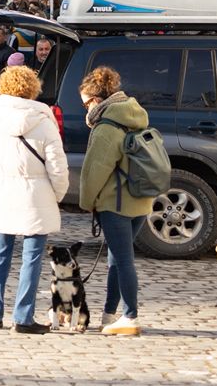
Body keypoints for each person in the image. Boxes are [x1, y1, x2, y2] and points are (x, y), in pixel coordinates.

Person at [0, 64, 68, 332]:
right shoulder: (44, 122)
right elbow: (57, 167)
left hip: (3, 193)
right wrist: (56, 194)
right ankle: (23, 316)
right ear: (32, 89)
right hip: (37, 195)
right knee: (32, 258)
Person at [78, 64, 151, 335]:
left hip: (116, 202)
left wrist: (87, 202)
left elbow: (95, 171)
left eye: (86, 104)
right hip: (140, 200)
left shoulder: (106, 126)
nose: (86, 109)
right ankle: (109, 314)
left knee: (123, 260)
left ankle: (130, 316)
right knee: (116, 258)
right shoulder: (134, 115)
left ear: (96, 100)